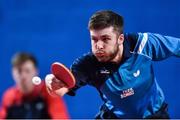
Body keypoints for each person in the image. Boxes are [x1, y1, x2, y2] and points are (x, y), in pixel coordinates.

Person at [45, 10, 180, 119]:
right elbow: (64, 87)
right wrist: (53, 84)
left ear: (120, 39)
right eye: (94, 39)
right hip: (114, 116)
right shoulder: (87, 65)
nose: (98, 46)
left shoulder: (143, 44)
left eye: (105, 39)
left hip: (154, 115)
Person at [0, 52, 69, 119]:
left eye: (27, 71)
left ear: (36, 71)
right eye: (19, 71)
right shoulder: (9, 97)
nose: (23, 76)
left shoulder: (50, 92)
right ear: (13, 73)